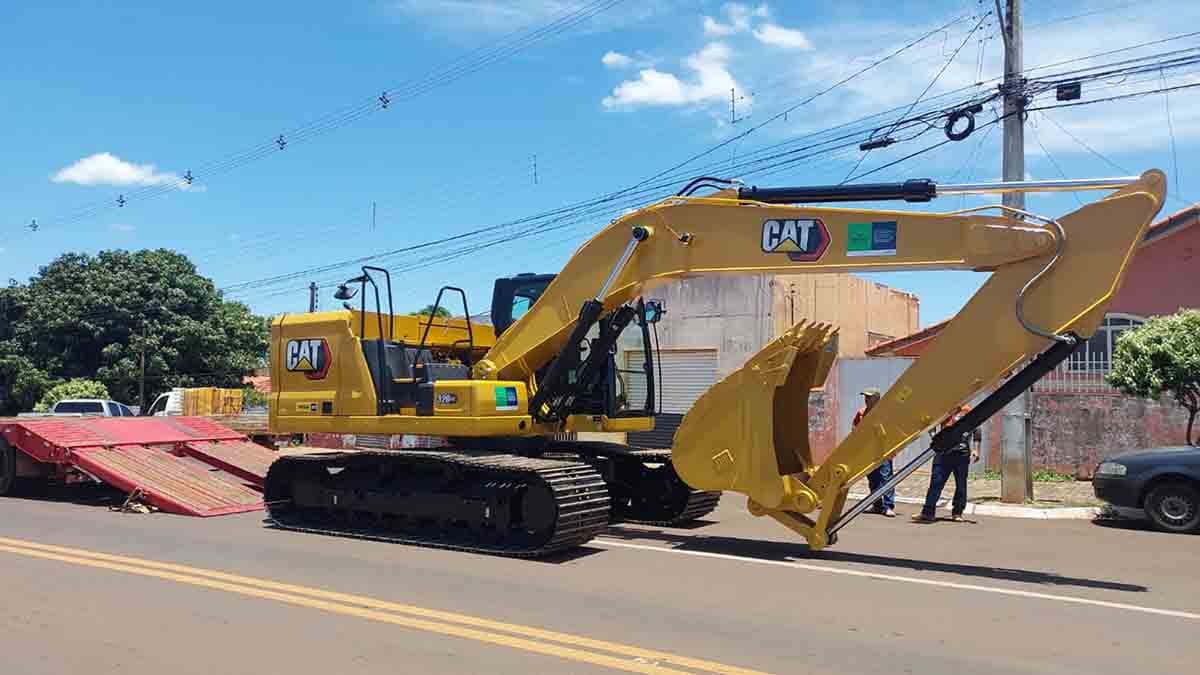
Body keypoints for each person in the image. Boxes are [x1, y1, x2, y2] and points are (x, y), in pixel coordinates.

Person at [912, 405, 981, 523]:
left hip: (961, 454)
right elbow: (931, 424)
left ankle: (957, 512)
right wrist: (935, 437)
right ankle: (928, 513)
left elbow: (977, 430)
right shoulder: (944, 406)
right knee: (936, 482)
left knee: (961, 484)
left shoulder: (967, 410)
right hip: (943, 452)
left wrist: (976, 449)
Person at [854, 387, 896, 517]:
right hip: (868, 453)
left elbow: (893, 433)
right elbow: (854, 429)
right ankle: (876, 505)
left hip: (883, 452)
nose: (866, 400)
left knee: (886, 478)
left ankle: (888, 506)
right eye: (865, 397)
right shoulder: (861, 413)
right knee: (872, 479)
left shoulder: (885, 414)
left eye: (869, 397)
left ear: (877, 399)